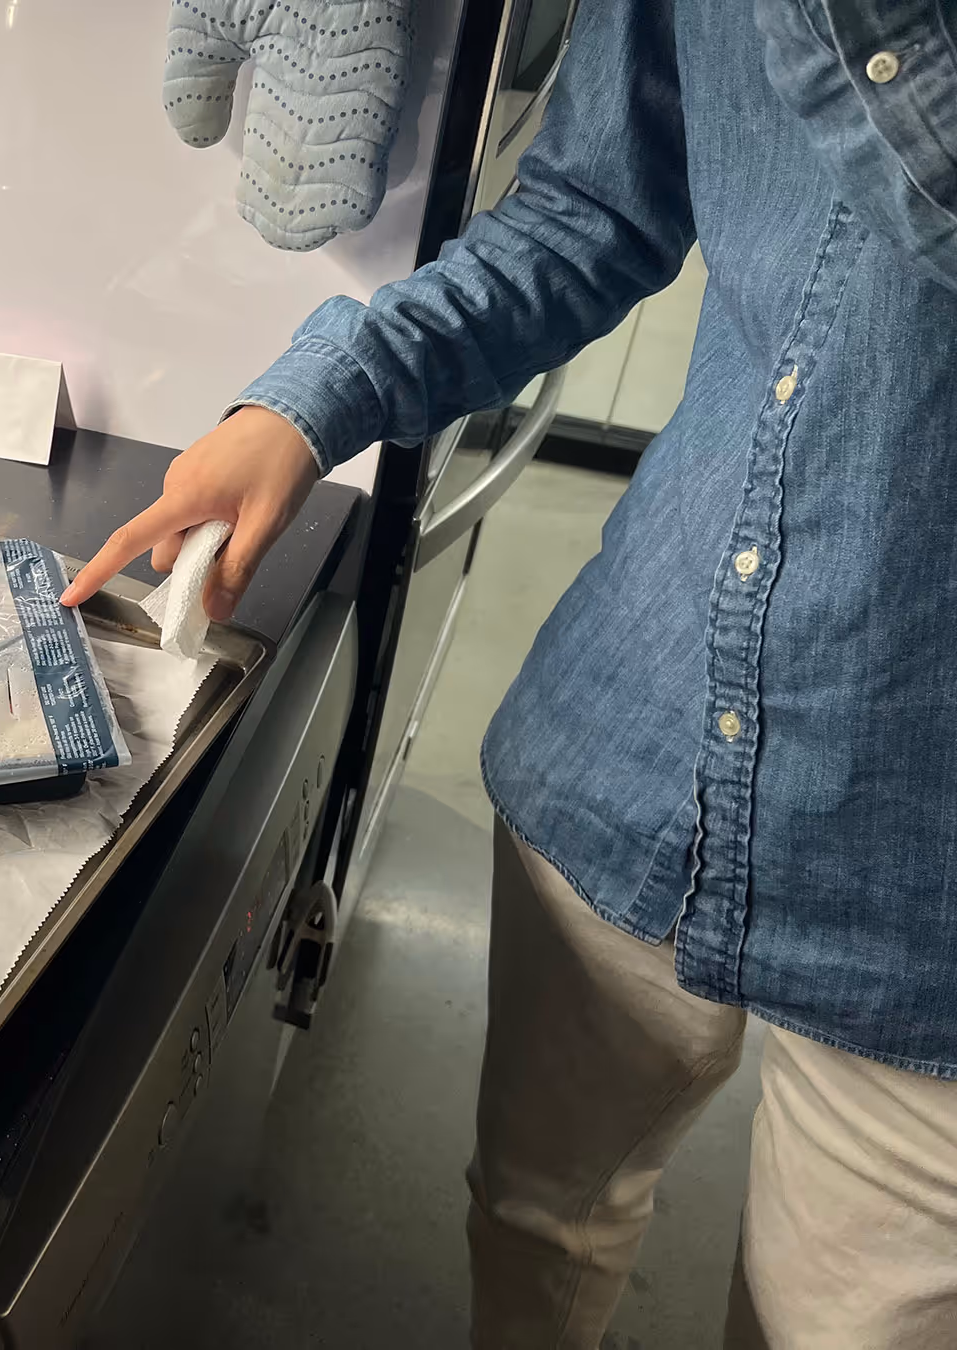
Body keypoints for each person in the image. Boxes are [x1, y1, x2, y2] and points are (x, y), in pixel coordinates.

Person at [62, 0, 957, 1345]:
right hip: (650, 707)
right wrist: (317, 396)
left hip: (926, 869)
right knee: (539, 1219)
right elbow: (590, 211)